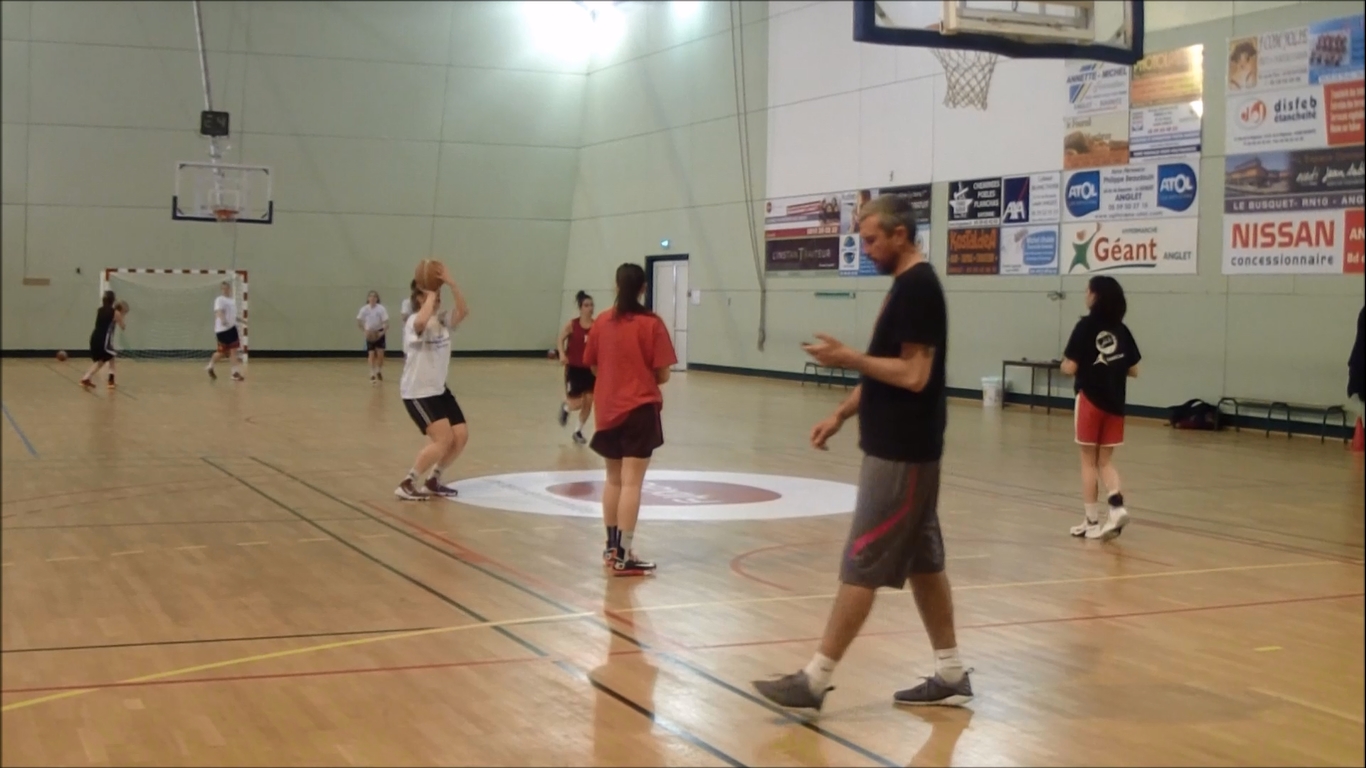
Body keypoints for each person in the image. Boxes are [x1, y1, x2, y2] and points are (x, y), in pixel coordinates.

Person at [752, 194, 971, 711]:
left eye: (871, 240)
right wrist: (842, 414)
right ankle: (951, 672)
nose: (865, 249)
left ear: (900, 235)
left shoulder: (918, 289)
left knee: (862, 560)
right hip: (901, 451)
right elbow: (885, 369)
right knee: (923, 563)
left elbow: (913, 375)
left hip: (901, 457)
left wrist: (848, 357)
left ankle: (814, 680)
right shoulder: (906, 286)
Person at [582, 263, 676, 576]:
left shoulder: (601, 322)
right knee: (632, 482)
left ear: (616, 285)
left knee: (613, 479)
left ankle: (611, 548)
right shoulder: (652, 323)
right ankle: (624, 554)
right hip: (639, 409)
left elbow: (592, 365)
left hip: (607, 409)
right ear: (643, 288)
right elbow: (663, 373)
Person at [1061, 275, 1140, 541]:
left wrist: (1065, 366)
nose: (1085, 294)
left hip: (1090, 400)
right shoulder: (1122, 330)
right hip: (1115, 403)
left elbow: (1070, 366)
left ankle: (1092, 521)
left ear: (1095, 296)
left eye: (1088, 290)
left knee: (1087, 462)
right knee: (1105, 461)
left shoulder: (1085, 327)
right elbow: (1134, 370)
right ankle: (1116, 507)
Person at [396, 265, 470, 500]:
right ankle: (408, 482)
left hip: (438, 390)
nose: (437, 298)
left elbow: (463, 311)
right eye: (432, 295)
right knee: (443, 439)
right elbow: (421, 323)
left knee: (460, 436)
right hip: (418, 392)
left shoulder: (442, 320)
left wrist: (452, 283)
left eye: (438, 295)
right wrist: (429, 295)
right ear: (420, 297)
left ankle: (433, 480)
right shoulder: (413, 322)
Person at [557, 290, 597, 445]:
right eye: (586, 305)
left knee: (589, 401)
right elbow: (560, 339)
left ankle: (578, 431)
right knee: (577, 402)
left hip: (590, 369)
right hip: (574, 369)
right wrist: (562, 353)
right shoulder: (572, 325)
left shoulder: (596, 326)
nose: (590, 308)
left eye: (591, 305)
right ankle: (566, 408)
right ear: (580, 308)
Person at [80, 291, 126, 390]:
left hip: (94, 337)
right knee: (107, 358)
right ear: (113, 300)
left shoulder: (99, 310)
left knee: (105, 359)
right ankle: (108, 380)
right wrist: (122, 314)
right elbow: (123, 326)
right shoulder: (115, 312)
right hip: (103, 340)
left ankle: (88, 378)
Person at [206, 281, 245, 382]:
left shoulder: (232, 301)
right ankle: (210, 366)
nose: (225, 290)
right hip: (222, 330)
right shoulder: (219, 299)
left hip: (232, 329)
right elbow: (218, 311)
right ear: (221, 289)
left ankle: (235, 373)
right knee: (222, 352)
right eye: (223, 288)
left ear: (229, 289)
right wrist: (223, 320)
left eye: (227, 288)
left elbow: (232, 315)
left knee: (233, 351)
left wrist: (241, 320)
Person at [357, 290, 390, 383]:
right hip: (369, 333)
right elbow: (359, 321)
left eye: (374, 296)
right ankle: (372, 373)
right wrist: (364, 331)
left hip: (379, 332)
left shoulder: (381, 309)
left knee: (380, 354)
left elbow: (386, 323)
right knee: (371, 353)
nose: (372, 298)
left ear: (377, 299)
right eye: (371, 296)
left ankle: (378, 370)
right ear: (368, 298)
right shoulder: (364, 309)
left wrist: (382, 332)